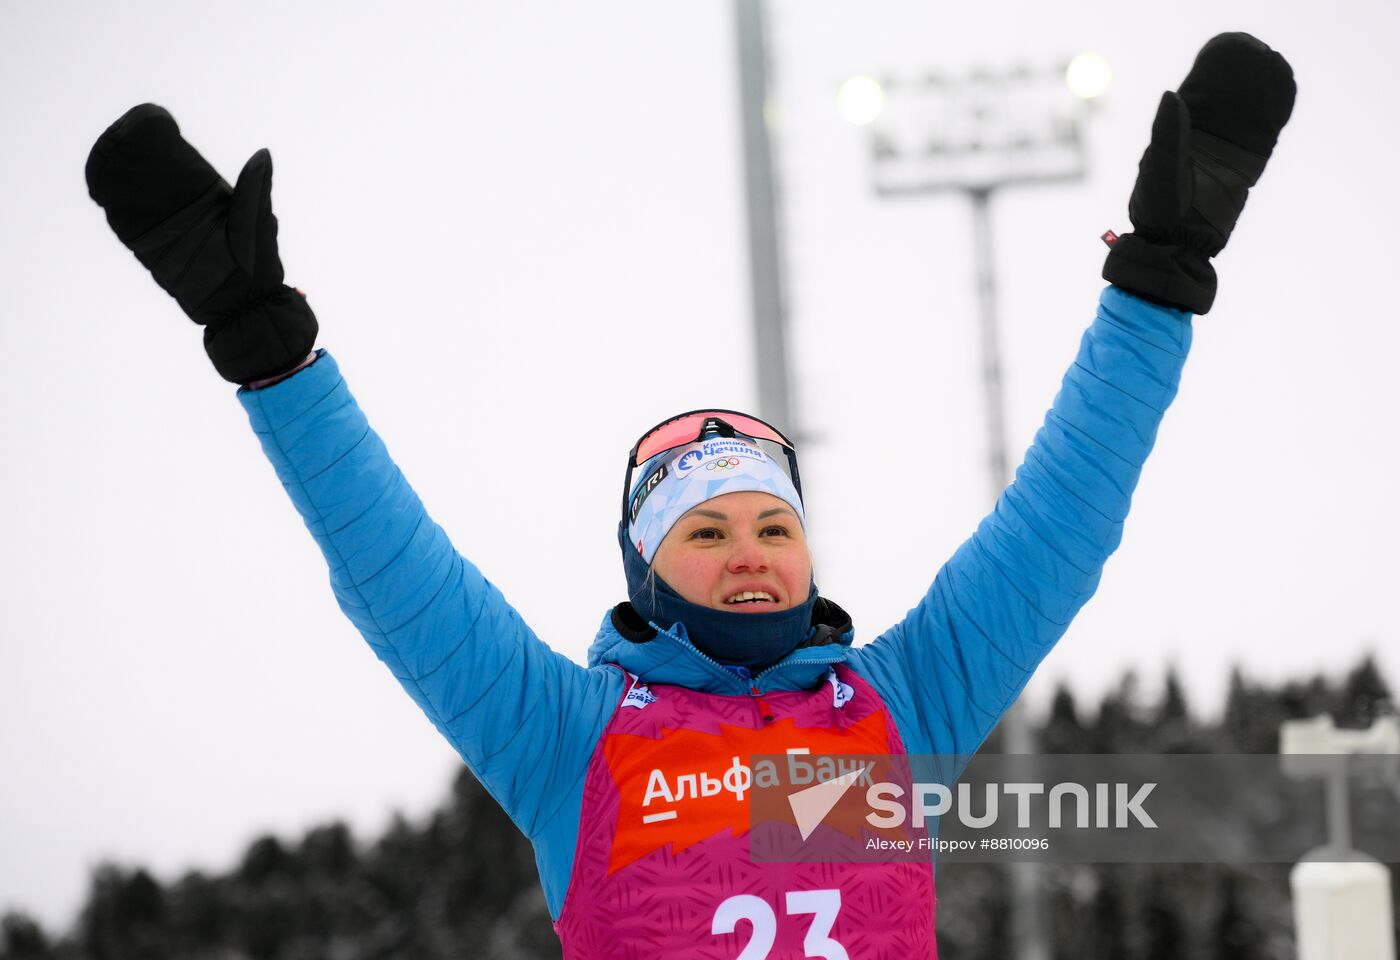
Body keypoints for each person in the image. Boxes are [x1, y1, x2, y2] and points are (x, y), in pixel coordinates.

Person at [85, 33, 1294, 959]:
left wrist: (1154, 285)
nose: (751, 552)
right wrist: (274, 360)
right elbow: (397, 579)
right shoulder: (567, 740)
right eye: (705, 532)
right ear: (648, 575)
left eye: (775, 525)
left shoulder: (898, 711)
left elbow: (1057, 527)